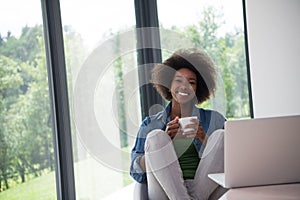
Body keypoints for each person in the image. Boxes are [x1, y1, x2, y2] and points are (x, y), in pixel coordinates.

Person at [130, 48, 227, 200]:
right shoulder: (151, 124)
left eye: (191, 82)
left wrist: (205, 139)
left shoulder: (215, 120)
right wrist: (162, 143)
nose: (184, 86)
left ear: (197, 89)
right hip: (164, 192)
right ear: (169, 85)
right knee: (156, 136)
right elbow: (135, 171)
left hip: (205, 189)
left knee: (221, 136)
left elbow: (234, 164)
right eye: (178, 80)